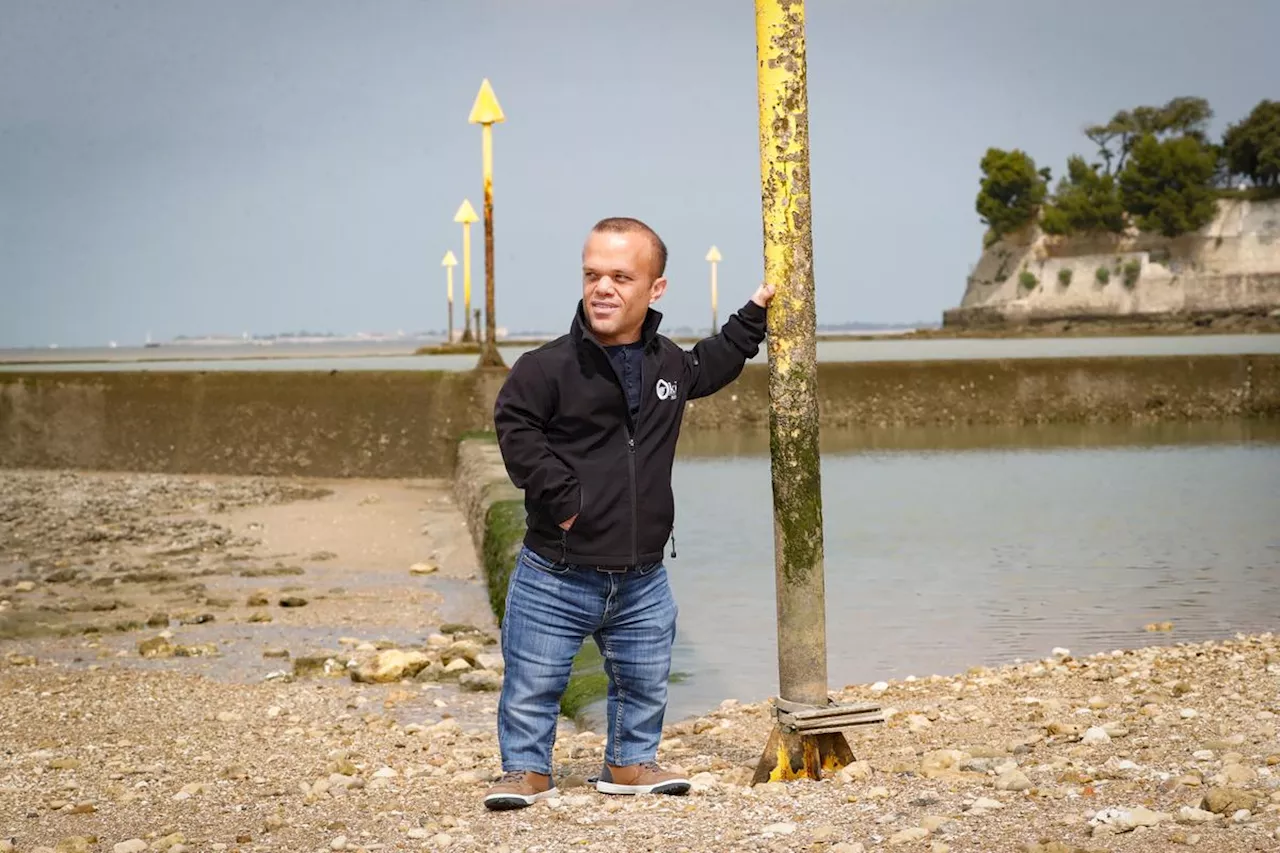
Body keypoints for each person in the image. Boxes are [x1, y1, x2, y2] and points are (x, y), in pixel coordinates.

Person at [484, 216, 774, 811]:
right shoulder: (546, 367)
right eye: (593, 274)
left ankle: (629, 761)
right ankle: (525, 771)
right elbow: (516, 428)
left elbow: (710, 365)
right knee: (533, 681)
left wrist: (753, 317)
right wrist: (563, 501)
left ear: (655, 288)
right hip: (556, 572)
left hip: (643, 574)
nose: (603, 287)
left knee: (643, 680)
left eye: (620, 275)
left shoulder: (668, 364)